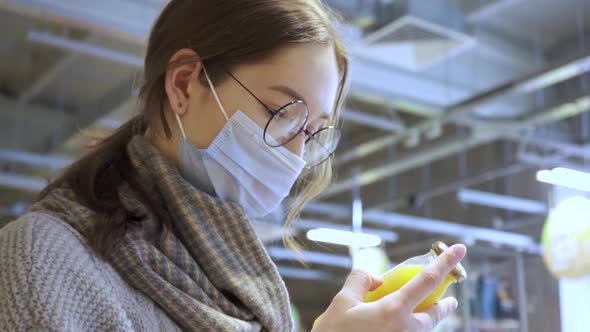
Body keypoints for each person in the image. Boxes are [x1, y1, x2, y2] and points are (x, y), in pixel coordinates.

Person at [0, 0, 466, 331]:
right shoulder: (41, 259)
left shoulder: (237, 287)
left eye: (313, 131)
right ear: (184, 84)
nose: (294, 155)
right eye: (282, 113)